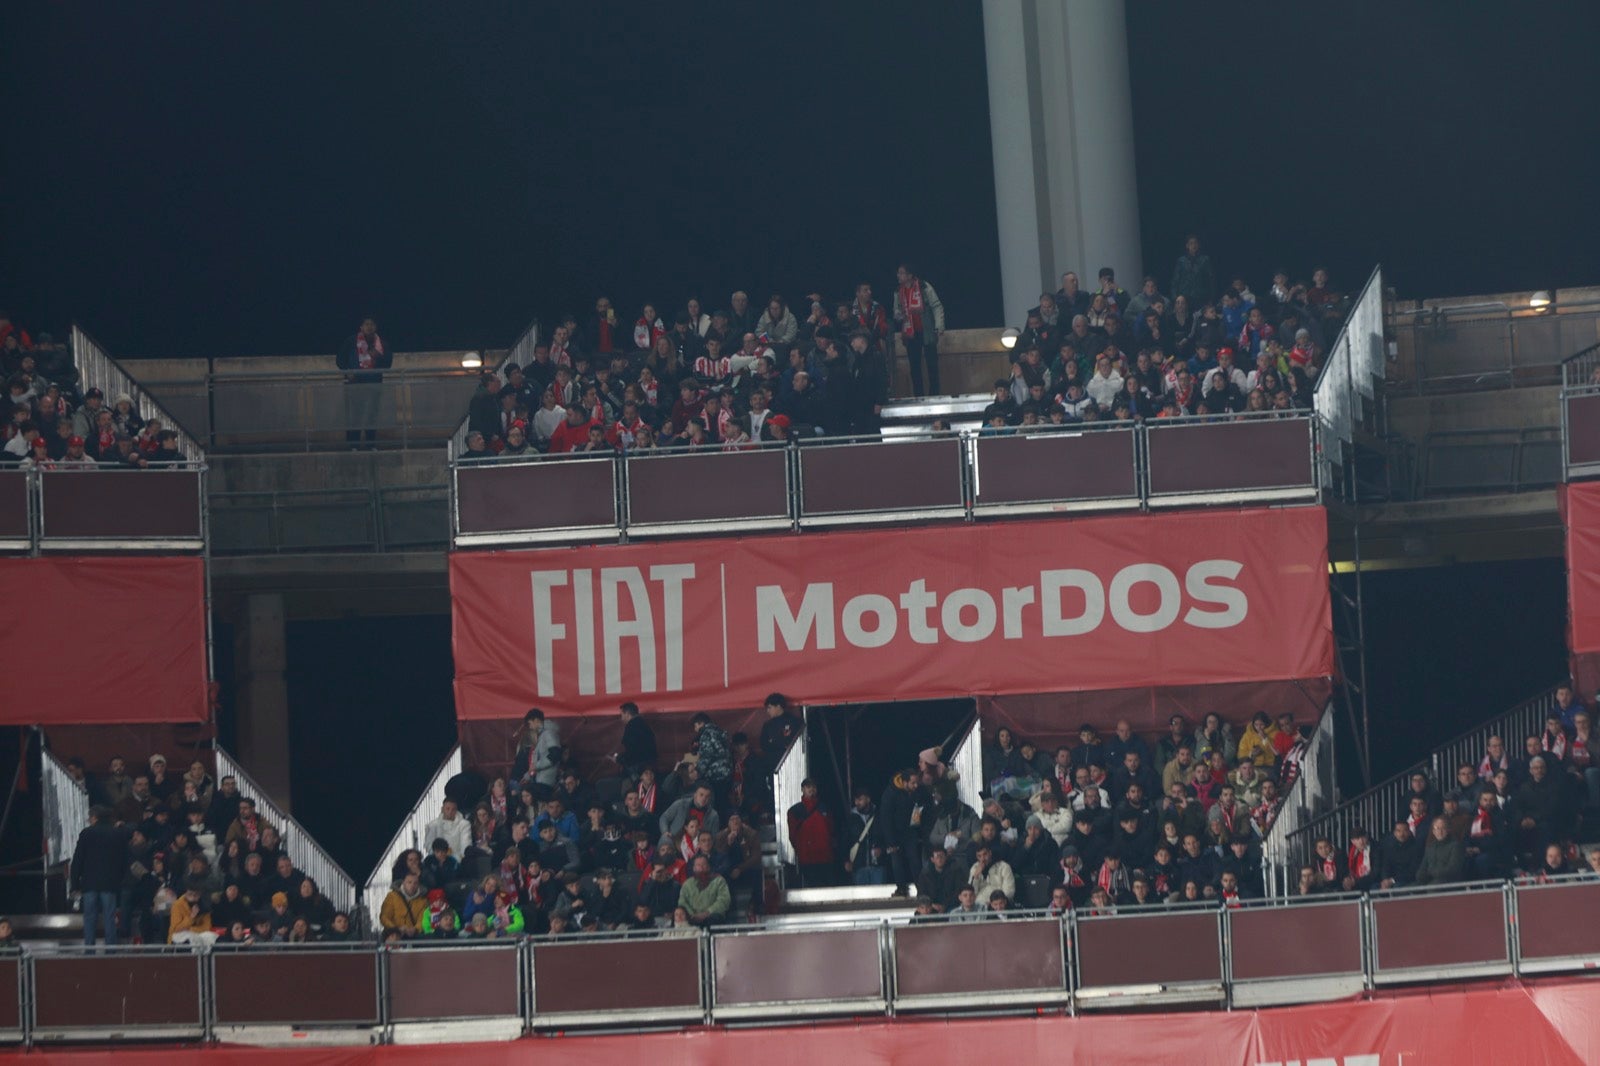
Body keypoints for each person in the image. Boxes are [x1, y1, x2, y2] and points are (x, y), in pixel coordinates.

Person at [71, 806, 128, 946]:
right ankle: (111, 950)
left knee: (90, 917)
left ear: (94, 817)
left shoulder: (86, 833)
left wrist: (74, 884)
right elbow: (123, 859)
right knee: (110, 917)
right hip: (110, 883)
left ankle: (89, 949)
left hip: (89, 883)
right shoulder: (116, 834)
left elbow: (78, 859)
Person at [336, 317, 392, 447]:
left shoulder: (381, 344)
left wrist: (378, 356)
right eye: (366, 324)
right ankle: (353, 445)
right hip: (355, 384)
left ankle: (371, 444)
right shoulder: (351, 341)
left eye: (372, 324)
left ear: (375, 327)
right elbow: (340, 360)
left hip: (374, 383)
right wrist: (348, 372)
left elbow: (388, 363)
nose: (369, 326)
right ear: (361, 327)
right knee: (354, 415)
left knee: (371, 415)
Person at [893, 264, 945, 396]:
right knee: (914, 368)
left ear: (910, 275)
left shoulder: (923, 286)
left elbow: (936, 306)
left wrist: (939, 326)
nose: (898, 276)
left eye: (901, 273)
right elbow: (896, 310)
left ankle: (934, 396)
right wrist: (898, 315)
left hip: (927, 331)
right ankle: (919, 397)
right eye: (898, 273)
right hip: (910, 333)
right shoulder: (898, 291)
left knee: (932, 366)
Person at [786, 779, 836, 887]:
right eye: (808, 787)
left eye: (813, 787)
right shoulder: (794, 811)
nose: (811, 789)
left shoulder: (825, 808)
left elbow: (831, 830)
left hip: (825, 857)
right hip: (807, 858)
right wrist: (802, 849)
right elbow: (792, 835)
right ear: (802, 789)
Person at [678, 853, 730, 927]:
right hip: (692, 918)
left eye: (704, 865)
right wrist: (692, 915)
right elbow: (682, 902)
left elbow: (724, 901)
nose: (701, 868)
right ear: (694, 868)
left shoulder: (719, 881)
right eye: (698, 865)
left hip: (712, 918)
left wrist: (707, 913)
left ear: (708, 867)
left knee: (714, 918)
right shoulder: (687, 884)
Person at [513, 709, 562, 787]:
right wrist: (528, 776)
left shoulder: (548, 733)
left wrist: (535, 766)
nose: (530, 727)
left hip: (546, 783)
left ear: (536, 720)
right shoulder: (542, 735)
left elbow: (555, 755)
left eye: (530, 724)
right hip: (541, 780)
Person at [617, 702, 658, 777]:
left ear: (627, 714)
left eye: (621, 715)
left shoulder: (631, 727)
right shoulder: (644, 725)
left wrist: (620, 758)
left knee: (630, 787)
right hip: (649, 765)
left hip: (637, 767)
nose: (621, 718)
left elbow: (631, 749)